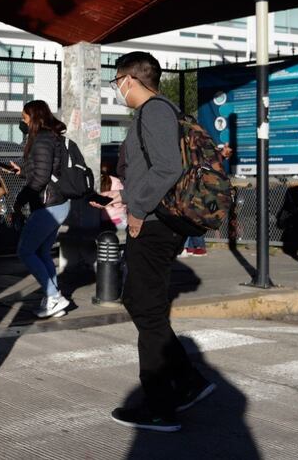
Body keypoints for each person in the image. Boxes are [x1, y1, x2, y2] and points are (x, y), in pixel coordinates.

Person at [101, 52, 212, 433]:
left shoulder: (155, 111)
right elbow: (152, 168)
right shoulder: (154, 113)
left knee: (146, 310)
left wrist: (136, 207)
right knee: (140, 302)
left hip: (154, 225)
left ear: (130, 79)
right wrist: (127, 196)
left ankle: (159, 407)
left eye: (117, 81)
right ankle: (188, 380)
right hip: (152, 217)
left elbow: (168, 166)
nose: (116, 89)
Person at [6, 100, 72, 319]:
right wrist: (23, 171)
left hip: (49, 205)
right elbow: (43, 170)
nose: (22, 122)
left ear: (34, 117)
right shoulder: (48, 137)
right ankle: (53, 298)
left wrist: (20, 199)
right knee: (42, 252)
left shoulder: (43, 139)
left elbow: (42, 177)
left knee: (25, 251)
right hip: (55, 204)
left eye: (24, 118)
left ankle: (54, 296)